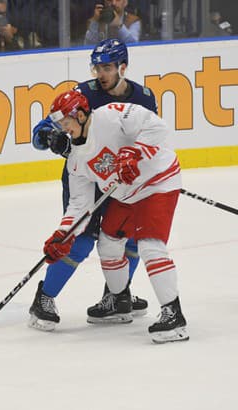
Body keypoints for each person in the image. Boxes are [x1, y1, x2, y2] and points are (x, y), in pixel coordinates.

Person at [41, 89, 188, 344]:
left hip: (157, 182)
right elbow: (79, 205)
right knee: (108, 243)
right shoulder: (75, 160)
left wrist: (134, 153)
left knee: (150, 246)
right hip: (127, 195)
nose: (65, 130)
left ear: (81, 114)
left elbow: (158, 128)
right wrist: (63, 235)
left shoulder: (111, 116)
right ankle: (119, 301)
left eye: (67, 123)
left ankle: (173, 314)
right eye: (61, 126)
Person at [29, 39, 157, 331]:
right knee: (81, 237)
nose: (101, 73)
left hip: (122, 179)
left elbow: (150, 137)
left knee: (129, 235)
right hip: (86, 175)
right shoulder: (83, 93)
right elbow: (41, 131)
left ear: (123, 67)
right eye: (97, 66)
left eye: (107, 67)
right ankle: (44, 297)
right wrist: (51, 138)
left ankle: (116, 295)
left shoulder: (145, 97)